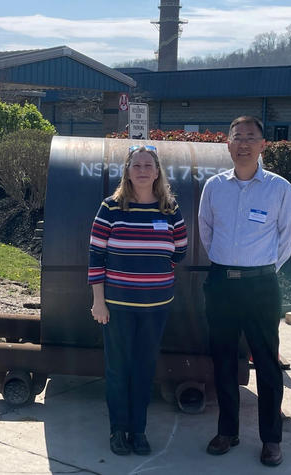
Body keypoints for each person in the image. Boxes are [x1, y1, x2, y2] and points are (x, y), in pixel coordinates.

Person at [198, 116, 291, 467]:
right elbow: (206, 231)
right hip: (222, 284)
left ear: (262, 145)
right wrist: (227, 264)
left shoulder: (279, 188)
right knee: (223, 361)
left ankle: (271, 440)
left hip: (261, 287)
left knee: (267, 365)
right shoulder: (214, 186)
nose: (243, 144)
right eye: (237, 137)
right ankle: (228, 431)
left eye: (251, 138)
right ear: (228, 143)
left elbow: (285, 239)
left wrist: (262, 269)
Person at [89, 144, 187, 456]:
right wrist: (98, 301)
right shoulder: (111, 208)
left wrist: (155, 275)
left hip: (155, 308)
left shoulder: (169, 210)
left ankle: (139, 431)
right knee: (118, 369)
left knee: (144, 369)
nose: (142, 170)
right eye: (136, 165)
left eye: (148, 165)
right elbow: (96, 256)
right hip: (117, 308)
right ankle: (118, 430)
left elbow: (179, 251)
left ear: (157, 172)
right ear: (128, 172)